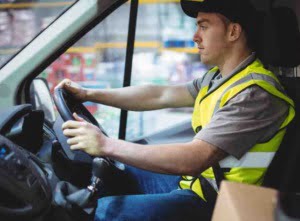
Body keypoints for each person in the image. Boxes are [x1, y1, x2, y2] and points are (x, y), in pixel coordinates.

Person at [55, 0, 295, 220]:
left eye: (203, 27)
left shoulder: (255, 94)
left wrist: (106, 145)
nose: (195, 36)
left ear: (233, 32)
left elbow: (194, 158)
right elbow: (160, 94)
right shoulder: (218, 78)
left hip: (220, 202)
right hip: (200, 184)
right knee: (118, 174)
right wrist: (89, 94)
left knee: (106, 211)